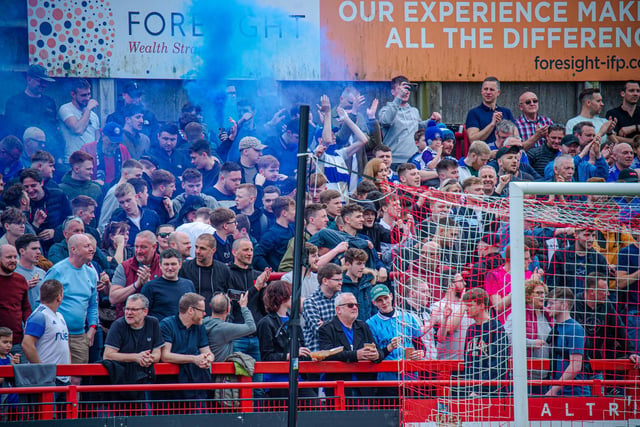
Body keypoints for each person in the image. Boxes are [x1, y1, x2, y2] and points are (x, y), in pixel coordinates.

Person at [43, 234, 98, 365]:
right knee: (57, 376)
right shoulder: (57, 271)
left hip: (80, 335)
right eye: (86, 246)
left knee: (77, 379)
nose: (92, 249)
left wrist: (92, 327)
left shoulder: (91, 273)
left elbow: (93, 304)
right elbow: (42, 303)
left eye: (91, 246)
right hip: (57, 334)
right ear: (73, 249)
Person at [257, 281, 315, 401]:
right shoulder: (266, 323)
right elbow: (267, 356)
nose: (293, 298)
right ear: (282, 297)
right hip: (276, 380)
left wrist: (309, 356)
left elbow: (301, 347)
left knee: (315, 407)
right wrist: (290, 355)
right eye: (290, 294)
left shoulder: (294, 321)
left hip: (297, 377)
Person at [318, 292, 383, 397]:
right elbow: (327, 354)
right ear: (338, 310)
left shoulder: (363, 326)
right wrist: (355, 355)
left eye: (356, 305)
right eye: (350, 305)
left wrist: (376, 356)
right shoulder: (327, 329)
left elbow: (379, 352)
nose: (355, 308)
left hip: (363, 387)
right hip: (339, 387)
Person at [366, 284, 423, 392]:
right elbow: (374, 355)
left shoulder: (408, 317)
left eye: (386, 298)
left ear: (391, 296)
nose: (384, 302)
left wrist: (420, 352)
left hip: (410, 376)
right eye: (379, 300)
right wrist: (390, 347)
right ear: (374, 303)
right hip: (387, 379)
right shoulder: (370, 324)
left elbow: (419, 342)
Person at [160, 293, 214, 400]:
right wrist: (194, 359)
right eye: (202, 311)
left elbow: (208, 352)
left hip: (196, 384)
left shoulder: (199, 326)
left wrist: (208, 359)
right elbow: (165, 355)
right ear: (190, 310)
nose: (204, 314)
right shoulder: (166, 325)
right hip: (171, 387)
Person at [460, 287, 511, 397]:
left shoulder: (496, 328)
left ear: (482, 305)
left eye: (470, 306)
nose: (466, 309)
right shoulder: (470, 330)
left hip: (493, 392)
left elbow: (498, 364)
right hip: (472, 389)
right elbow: (467, 362)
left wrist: (480, 390)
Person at [4, 65, 62, 161]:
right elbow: (10, 130)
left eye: (45, 82)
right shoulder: (14, 102)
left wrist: (58, 154)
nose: (43, 85)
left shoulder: (49, 102)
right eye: (40, 81)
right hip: (23, 155)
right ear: (29, 79)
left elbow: (54, 130)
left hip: (46, 153)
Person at [504, 279, 551, 394]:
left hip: (544, 376)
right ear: (528, 295)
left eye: (543, 293)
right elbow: (507, 337)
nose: (542, 296)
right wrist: (531, 343)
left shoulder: (547, 314)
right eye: (538, 293)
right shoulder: (517, 314)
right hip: (523, 376)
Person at [378, 75, 440, 164]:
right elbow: (386, 121)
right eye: (401, 89)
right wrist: (398, 98)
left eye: (407, 89)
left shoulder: (414, 111)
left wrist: (432, 120)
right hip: (394, 161)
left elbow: (419, 129)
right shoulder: (385, 110)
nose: (405, 92)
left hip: (414, 159)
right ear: (392, 92)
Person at [21, 279, 70, 387]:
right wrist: (41, 370)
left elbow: (64, 345)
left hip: (63, 377)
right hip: (48, 378)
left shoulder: (59, 316)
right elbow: (27, 344)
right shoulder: (39, 316)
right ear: (59, 296)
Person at [546, 287, 590, 397]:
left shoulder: (575, 329)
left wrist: (554, 389)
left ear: (564, 305)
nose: (548, 307)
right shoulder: (556, 328)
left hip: (574, 393)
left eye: (552, 303)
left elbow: (575, 366)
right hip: (559, 390)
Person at [109, 231, 162, 318]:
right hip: (127, 321)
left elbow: (168, 297)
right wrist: (136, 284)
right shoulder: (124, 267)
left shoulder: (163, 265)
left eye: (143, 247)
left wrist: (148, 286)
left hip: (155, 320)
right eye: (136, 246)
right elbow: (113, 298)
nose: (138, 251)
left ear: (154, 247)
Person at [103, 294, 164, 367]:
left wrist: (149, 359)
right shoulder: (118, 325)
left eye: (134, 309)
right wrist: (135, 357)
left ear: (145, 311)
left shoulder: (153, 323)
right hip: (122, 371)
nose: (129, 313)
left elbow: (157, 353)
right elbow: (107, 355)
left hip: (146, 370)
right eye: (127, 309)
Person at [546, 227, 610, 295]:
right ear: (576, 235)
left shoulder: (599, 259)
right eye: (587, 235)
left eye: (593, 235)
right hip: (566, 302)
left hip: (590, 303)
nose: (591, 239)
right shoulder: (560, 256)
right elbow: (552, 285)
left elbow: (604, 288)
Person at [179, 234, 231, 316]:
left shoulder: (223, 270)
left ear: (213, 250)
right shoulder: (185, 269)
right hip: (191, 318)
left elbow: (229, 296)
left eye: (202, 248)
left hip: (216, 320)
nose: (197, 251)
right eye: (196, 247)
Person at [429, 273, 474, 360]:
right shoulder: (437, 307)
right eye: (461, 281)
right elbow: (448, 328)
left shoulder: (470, 305)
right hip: (447, 365)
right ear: (451, 285)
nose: (465, 284)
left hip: (468, 365)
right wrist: (463, 305)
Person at [141, 249, 195, 322]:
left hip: (185, 330)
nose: (170, 268)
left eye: (173, 264)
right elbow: (142, 313)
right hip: (160, 331)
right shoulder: (150, 287)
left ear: (180, 265)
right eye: (166, 264)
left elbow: (194, 310)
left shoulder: (188, 285)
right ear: (160, 265)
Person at [203, 291, 256, 362]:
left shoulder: (204, 322)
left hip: (207, 368)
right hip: (221, 370)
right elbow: (251, 327)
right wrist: (244, 307)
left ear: (210, 306)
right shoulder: (224, 328)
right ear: (228, 309)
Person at [302, 263, 343, 352]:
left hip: (340, 353)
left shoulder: (342, 299)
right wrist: (338, 326)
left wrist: (325, 324)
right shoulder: (310, 302)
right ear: (325, 281)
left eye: (341, 279)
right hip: (317, 354)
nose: (340, 283)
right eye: (337, 280)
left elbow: (349, 327)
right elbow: (319, 332)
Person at [465, 77, 515, 148]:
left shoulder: (506, 112)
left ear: (498, 93)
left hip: (505, 153)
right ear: (481, 91)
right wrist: (492, 124)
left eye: (491, 90)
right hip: (483, 155)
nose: (488, 92)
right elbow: (473, 140)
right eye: (485, 89)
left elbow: (516, 137)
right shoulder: (473, 113)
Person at [0, 244, 31, 356]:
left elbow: (26, 308)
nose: (13, 260)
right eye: (9, 257)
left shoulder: (20, 280)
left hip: (17, 341)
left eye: (15, 257)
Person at [58, 78, 100, 159]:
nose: (87, 98)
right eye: (83, 95)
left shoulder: (94, 115)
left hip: (91, 160)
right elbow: (78, 130)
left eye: (89, 94)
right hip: (73, 160)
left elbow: (97, 140)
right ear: (73, 94)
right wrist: (88, 109)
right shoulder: (65, 109)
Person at [254, 196, 295, 271]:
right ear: (284, 213)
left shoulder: (293, 229)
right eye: (294, 210)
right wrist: (271, 272)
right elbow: (258, 256)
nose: (296, 212)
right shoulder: (271, 235)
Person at [15, 234, 45, 310]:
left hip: (40, 319)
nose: (38, 252)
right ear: (22, 251)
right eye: (34, 249)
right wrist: (22, 287)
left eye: (39, 248)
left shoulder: (42, 273)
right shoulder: (13, 273)